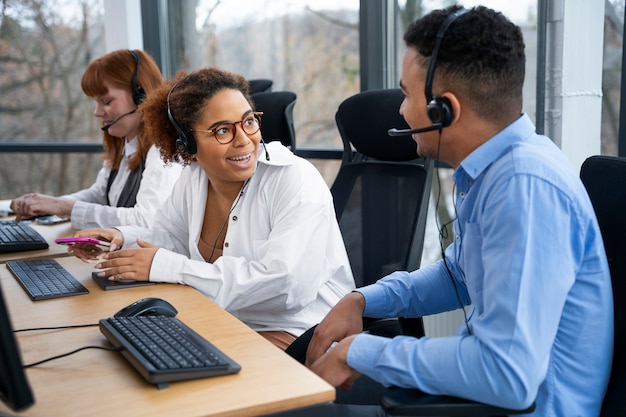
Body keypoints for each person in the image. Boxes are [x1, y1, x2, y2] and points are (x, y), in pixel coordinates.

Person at [305, 5, 613, 417]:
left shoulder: (524, 186)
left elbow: (507, 375)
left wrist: (360, 351)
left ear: (442, 110)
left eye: (406, 94)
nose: (400, 110)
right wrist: (362, 299)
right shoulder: (494, 173)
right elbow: (459, 276)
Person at [70, 67, 355, 350]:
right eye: (222, 130)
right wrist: (121, 238)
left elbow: (287, 287)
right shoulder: (194, 177)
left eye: (249, 122)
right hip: (227, 320)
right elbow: (173, 238)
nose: (243, 139)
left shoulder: (295, 179)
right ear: (187, 142)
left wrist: (170, 267)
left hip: (300, 331)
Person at [10, 49, 182, 230]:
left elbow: (146, 220)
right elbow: (100, 194)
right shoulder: (127, 144)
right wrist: (50, 204)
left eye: (106, 102)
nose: (97, 112)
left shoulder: (162, 152)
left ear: (141, 97)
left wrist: (65, 207)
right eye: (96, 102)